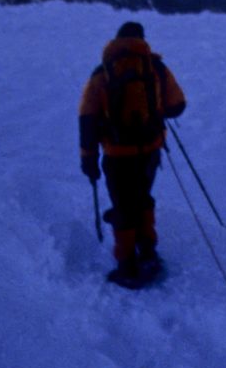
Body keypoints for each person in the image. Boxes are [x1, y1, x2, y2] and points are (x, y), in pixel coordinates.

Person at [79, 20, 187, 283]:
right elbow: (177, 106)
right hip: (150, 149)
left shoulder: (101, 73)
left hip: (117, 153)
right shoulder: (156, 67)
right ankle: (148, 249)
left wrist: (88, 158)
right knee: (142, 197)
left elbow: (87, 119)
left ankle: (127, 264)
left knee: (123, 205)